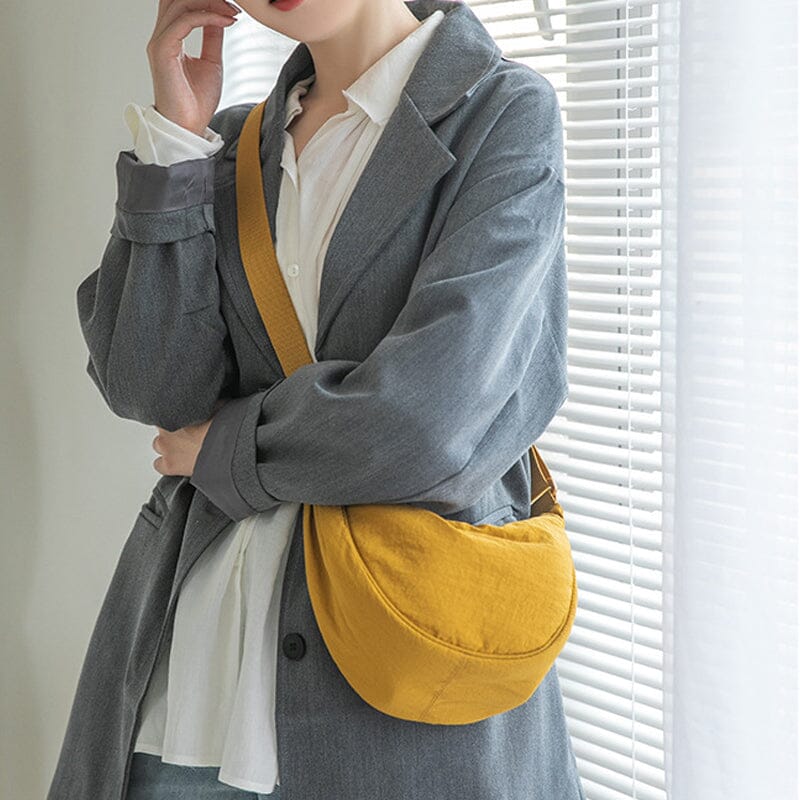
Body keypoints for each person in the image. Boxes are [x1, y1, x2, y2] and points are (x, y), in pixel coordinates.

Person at [47, 1, 585, 798]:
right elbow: (150, 383)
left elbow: (427, 420)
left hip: (393, 699)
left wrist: (227, 448)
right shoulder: (229, 146)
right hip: (185, 691)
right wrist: (176, 138)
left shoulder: (501, 114)